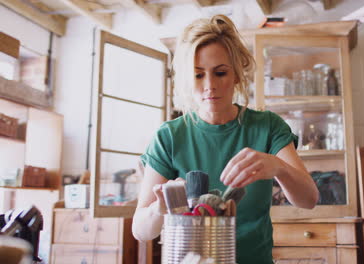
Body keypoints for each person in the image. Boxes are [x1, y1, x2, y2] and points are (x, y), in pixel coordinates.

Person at [132, 14, 319, 264]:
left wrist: (279, 167)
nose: (210, 85)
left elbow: (309, 200)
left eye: (220, 73)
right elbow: (141, 230)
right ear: (187, 79)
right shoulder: (169, 137)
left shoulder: (268, 127)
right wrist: (161, 207)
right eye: (198, 75)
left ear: (237, 75)